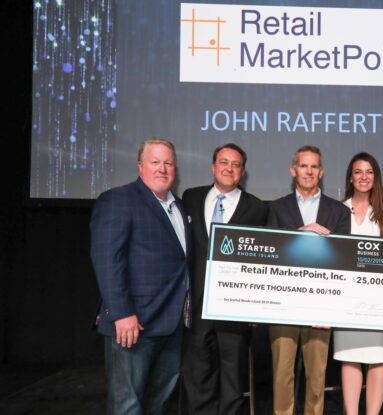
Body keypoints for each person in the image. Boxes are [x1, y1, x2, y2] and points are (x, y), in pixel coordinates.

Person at [90, 138, 192, 415]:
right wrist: (122, 313)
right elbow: (107, 260)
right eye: (155, 162)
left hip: (171, 327)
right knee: (127, 406)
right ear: (140, 166)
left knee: (158, 404)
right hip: (133, 324)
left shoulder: (179, 208)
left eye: (168, 163)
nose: (162, 169)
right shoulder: (119, 200)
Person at [180, 143, 268, 414]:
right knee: (198, 372)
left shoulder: (256, 207)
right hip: (197, 304)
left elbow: (262, 259)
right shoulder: (190, 198)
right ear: (213, 167)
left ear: (242, 172)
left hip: (234, 306)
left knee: (232, 374)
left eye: (236, 164)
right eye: (224, 162)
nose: (229, 168)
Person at [266, 145, 351, 415]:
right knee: (282, 375)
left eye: (314, 166)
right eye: (304, 166)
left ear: (321, 172)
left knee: (317, 378)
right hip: (284, 304)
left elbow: (343, 259)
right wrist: (301, 234)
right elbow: (271, 255)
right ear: (294, 170)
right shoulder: (277, 208)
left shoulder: (338, 211)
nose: (309, 171)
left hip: (321, 306)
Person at [333, 152, 383, 415]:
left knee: (377, 358)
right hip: (346, 298)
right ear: (350, 176)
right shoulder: (338, 209)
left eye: (369, 172)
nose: (363, 177)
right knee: (349, 356)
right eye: (358, 171)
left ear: (376, 177)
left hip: (378, 300)